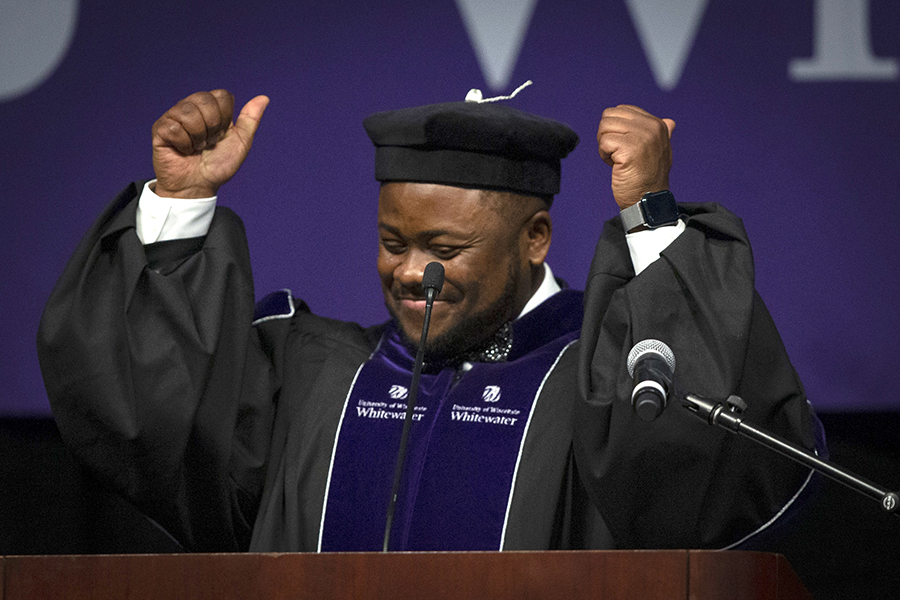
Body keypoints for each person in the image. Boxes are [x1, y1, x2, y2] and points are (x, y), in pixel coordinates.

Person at [37, 89, 822, 553]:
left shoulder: (609, 386)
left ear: (535, 239)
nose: (411, 272)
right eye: (392, 243)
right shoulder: (315, 375)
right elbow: (150, 421)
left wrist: (652, 219)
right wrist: (178, 206)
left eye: (444, 248)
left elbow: (713, 478)